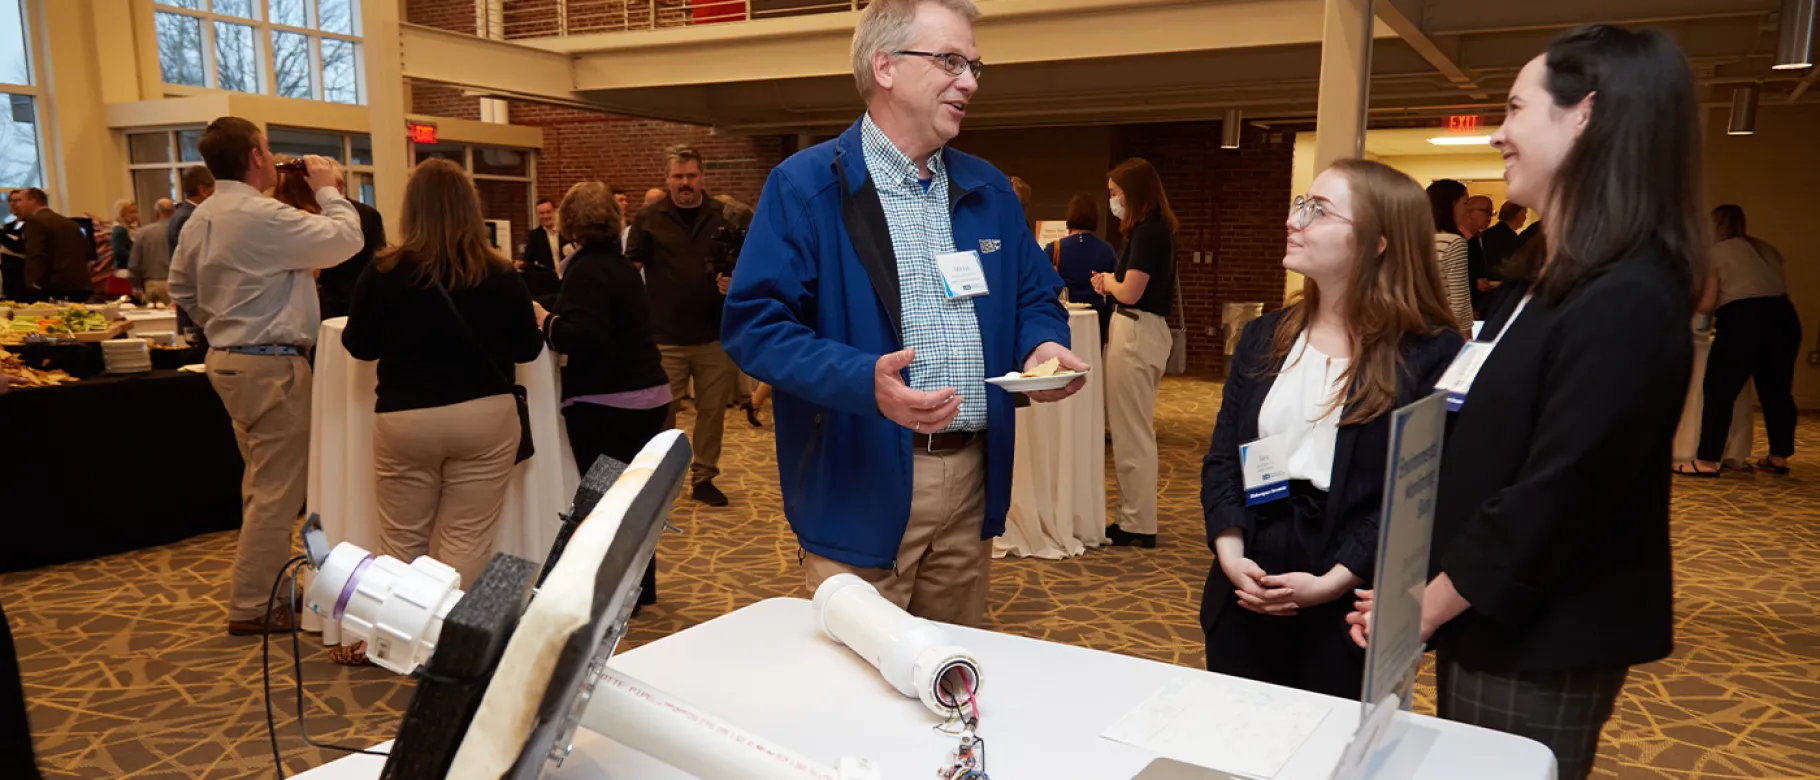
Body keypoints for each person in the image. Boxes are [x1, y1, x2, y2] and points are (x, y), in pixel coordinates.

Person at [1348, 26, 1702, 780]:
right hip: (1488, 608)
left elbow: (1562, 491)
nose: (1500, 134)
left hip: (1540, 628)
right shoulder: (1542, 277)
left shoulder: (1629, 296)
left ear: (1587, 117)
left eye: (1514, 109)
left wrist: (1427, 605)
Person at [723, 0, 1084, 626]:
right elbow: (756, 326)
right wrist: (862, 380)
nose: (969, 81)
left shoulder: (989, 191)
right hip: (859, 477)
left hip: (973, 481)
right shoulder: (807, 187)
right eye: (950, 61)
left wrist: (1040, 347)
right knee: (856, 693)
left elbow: (1033, 296)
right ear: (884, 66)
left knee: (948, 676)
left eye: (973, 65)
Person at [1201, 158, 1463, 698]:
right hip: (1249, 575)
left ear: (1377, 242)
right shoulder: (1263, 336)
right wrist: (1230, 552)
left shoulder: (1429, 354)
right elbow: (1226, 456)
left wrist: (1333, 581)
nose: (1293, 220)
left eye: (1318, 211)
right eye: (1301, 205)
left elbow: (1419, 494)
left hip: (1352, 595)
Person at [169, 116, 364, 636]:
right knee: (276, 493)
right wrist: (329, 191)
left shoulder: (200, 217)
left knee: (262, 486)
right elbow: (346, 240)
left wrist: (224, 321)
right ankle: (255, 604)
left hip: (230, 359)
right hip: (272, 363)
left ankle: (267, 593)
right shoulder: (263, 216)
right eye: (269, 148)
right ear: (256, 156)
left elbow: (180, 289)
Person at [341, 157, 543, 591]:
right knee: (466, 541)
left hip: (406, 417)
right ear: (471, 208)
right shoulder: (502, 273)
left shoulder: (382, 273)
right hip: (485, 417)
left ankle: (402, 642)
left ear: (410, 209)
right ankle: (450, 646)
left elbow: (359, 346)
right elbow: (529, 347)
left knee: (400, 542)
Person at [533, 180, 668, 610]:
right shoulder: (621, 265)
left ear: (569, 222)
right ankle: (640, 585)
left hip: (608, 402)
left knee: (600, 501)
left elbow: (583, 335)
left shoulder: (586, 268)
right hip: (648, 394)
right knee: (635, 498)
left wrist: (545, 320)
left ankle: (604, 590)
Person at [627, 144, 741, 506]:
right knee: (664, 413)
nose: (685, 183)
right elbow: (631, 271)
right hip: (664, 336)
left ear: (702, 177)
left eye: (691, 175)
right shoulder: (648, 218)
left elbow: (750, 264)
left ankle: (704, 476)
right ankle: (662, 477)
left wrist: (734, 280)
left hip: (714, 335)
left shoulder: (726, 216)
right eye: (678, 177)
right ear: (667, 179)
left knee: (712, 412)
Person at [1679, 205, 1802, 477]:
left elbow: (1708, 302)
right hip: (1784, 318)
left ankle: (1708, 461)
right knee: (1777, 391)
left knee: (1720, 390)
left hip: (1744, 320)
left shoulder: (1715, 253)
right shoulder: (1765, 249)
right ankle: (1779, 456)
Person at [1097, 158, 1178, 548]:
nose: (1113, 200)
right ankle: (1131, 516)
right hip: (1138, 329)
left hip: (1136, 328)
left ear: (1133, 192)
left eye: (1115, 193)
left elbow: (1130, 291)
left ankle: (1137, 522)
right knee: (1133, 429)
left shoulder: (1149, 232)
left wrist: (1107, 282)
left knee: (1132, 432)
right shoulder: (1153, 229)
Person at [1045, 191, 1118, 341]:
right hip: (1097, 319)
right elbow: (1114, 288)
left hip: (1062, 317)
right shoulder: (1106, 249)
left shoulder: (1055, 248)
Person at [317, 177, 386, 321]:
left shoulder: (366, 215)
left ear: (339, 185)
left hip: (347, 296)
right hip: (356, 296)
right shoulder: (369, 213)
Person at [18, 188, 93, 303]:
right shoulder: (70, 223)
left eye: (21, 201)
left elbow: (37, 254)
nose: (19, 205)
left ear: (32, 200)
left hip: (54, 286)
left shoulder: (35, 222)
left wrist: (33, 284)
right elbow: (88, 252)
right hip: (80, 285)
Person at [1426, 179, 1474, 333]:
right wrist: (1466, 337)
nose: (1468, 210)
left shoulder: (1414, 240)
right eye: (1465, 203)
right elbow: (1460, 303)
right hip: (1447, 330)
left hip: (1421, 327)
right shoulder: (1453, 243)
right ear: (1450, 204)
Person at [129, 198, 177, 305]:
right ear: (174, 211)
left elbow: (134, 263)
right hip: (174, 283)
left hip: (150, 284)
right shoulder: (180, 230)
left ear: (157, 213)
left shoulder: (144, 232)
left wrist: (136, 285)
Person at [519, 198, 566, 299]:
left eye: (548, 212)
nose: (545, 216)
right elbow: (528, 261)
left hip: (568, 281)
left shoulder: (566, 232)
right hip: (548, 286)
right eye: (541, 213)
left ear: (555, 212)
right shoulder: (534, 236)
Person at [1478, 200, 1529, 286]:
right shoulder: (1509, 237)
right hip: (1498, 283)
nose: (1525, 217)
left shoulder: (1489, 232)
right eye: (1524, 213)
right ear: (1516, 214)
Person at [0, 192, 24, 300]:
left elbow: (20, 247)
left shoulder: (32, 224)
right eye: (11, 201)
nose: (13, 204)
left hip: (23, 276)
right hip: (7, 275)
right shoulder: (9, 226)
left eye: (17, 200)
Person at [110, 199, 139, 275]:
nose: (135, 215)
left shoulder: (129, 229)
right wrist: (138, 256)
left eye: (136, 212)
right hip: (124, 270)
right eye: (131, 212)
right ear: (122, 213)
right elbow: (119, 252)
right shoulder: (120, 230)